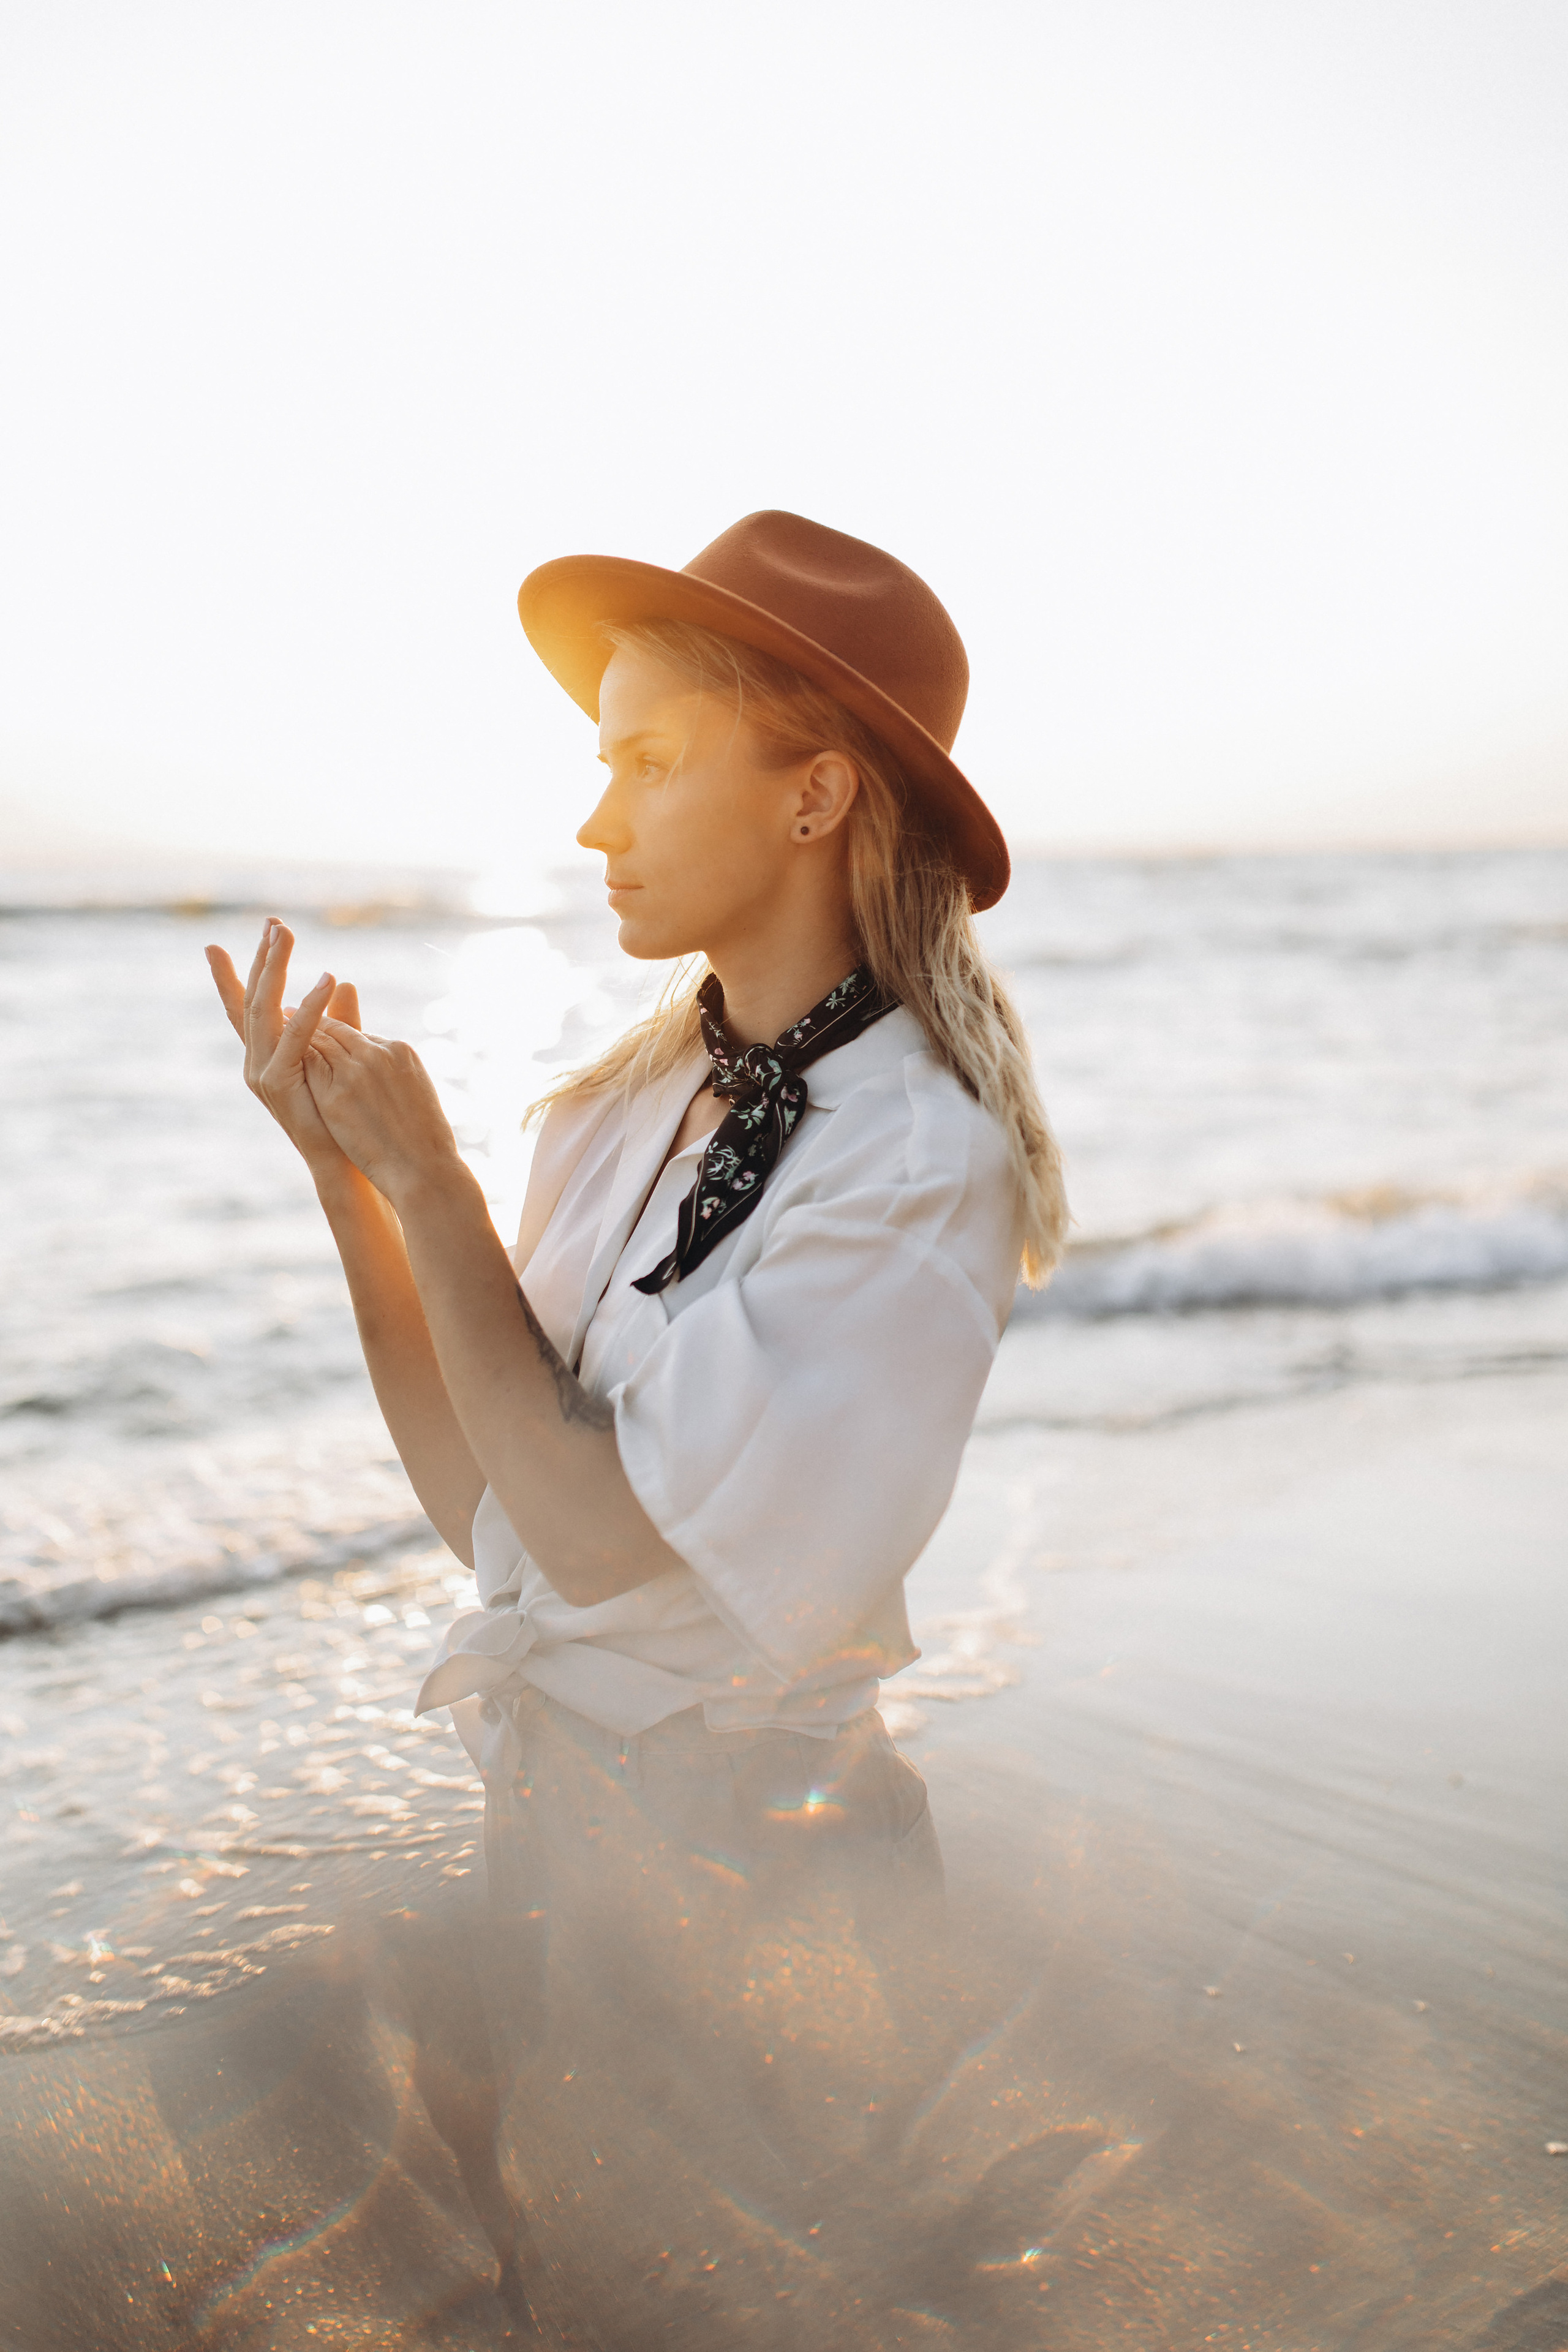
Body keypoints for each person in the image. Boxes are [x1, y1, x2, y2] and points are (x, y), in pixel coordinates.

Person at [206, 508, 1066, 2336]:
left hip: (773, 1891)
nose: (597, 822)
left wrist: (434, 1184)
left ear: (816, 794)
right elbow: (493, 1510)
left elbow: (603, 1548)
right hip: (553, 1860)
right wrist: (352, 1185)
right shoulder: (617, 1107)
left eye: (649, 762)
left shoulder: (923, 1158)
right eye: (602, 765)